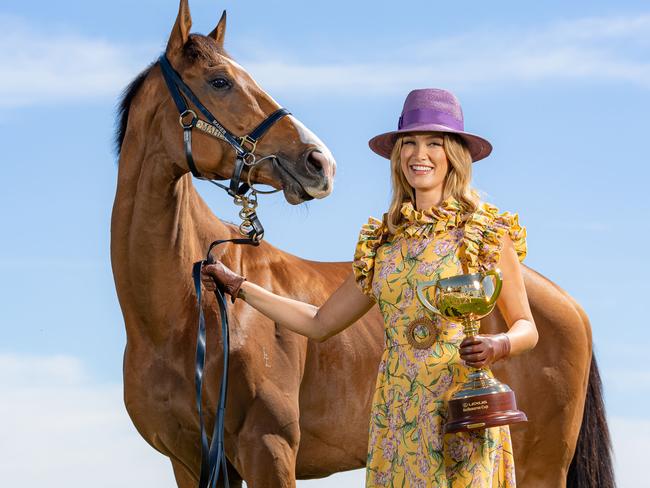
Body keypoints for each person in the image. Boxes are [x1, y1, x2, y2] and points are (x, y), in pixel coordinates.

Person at [201, 88, 538, 487]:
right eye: (409, 144)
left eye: (434, 143)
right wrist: (240, 286)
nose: (419, 155)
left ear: (454, 155)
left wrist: (499, 345)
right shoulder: (384, 243)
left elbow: (526, 326)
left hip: (461, 407)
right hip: (396, 414)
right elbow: (319, 322)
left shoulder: (485, 232)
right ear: (398, 157)